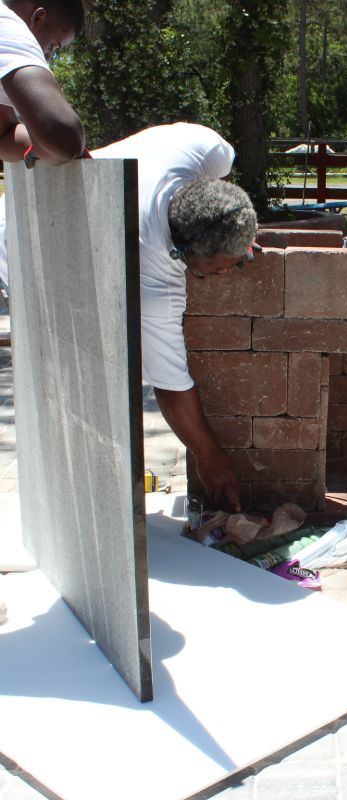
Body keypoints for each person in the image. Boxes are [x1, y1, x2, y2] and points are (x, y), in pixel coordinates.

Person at [0, 122, 256, 515]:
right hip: (24, 236)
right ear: (180, 252)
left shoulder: (203, 149)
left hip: (78, 202)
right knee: (82, 371)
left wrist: (237, 239)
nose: (226, 274)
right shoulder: (155, 282)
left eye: (235, 264)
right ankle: (76, 508)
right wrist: (209, 455)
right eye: (214, 269)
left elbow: (223, 198)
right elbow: (170, 386)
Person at [0, 0, 85, 627]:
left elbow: (11, 138)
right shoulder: (4, 24)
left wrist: (27, 141)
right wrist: (55, 143)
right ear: (39, 11)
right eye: (52, 41)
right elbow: (62, 134)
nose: (49, 55)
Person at [0, 0, 85, 163]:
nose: (47, 57)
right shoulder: (8, 27)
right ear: (38, 18)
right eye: (52, 47)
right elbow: (64, 138)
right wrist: (55, 144)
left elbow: (4, 136)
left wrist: (39, 145)